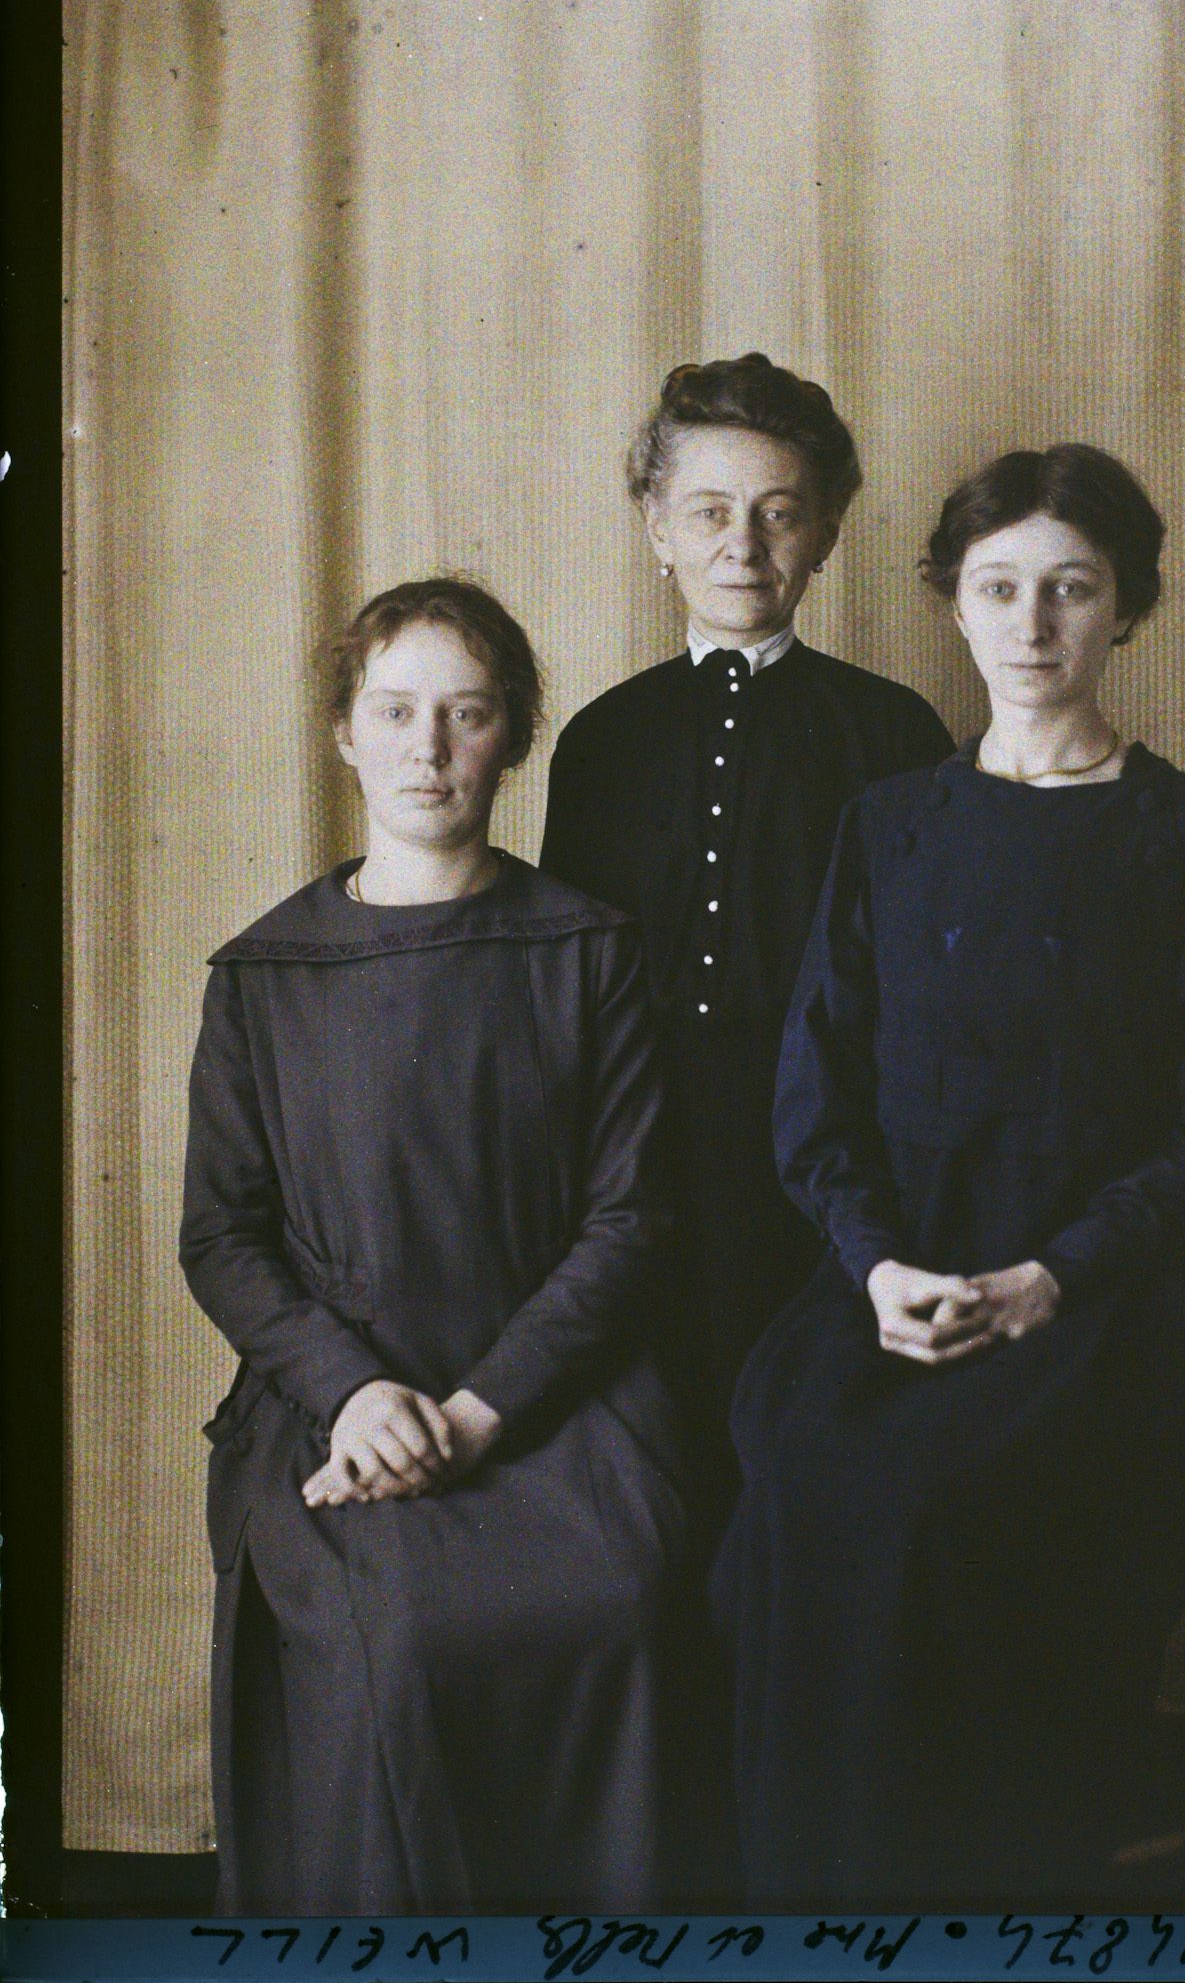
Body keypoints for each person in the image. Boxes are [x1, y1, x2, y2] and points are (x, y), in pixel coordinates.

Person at [712, 444, 1185, 1910]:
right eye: (998, 590)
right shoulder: (887, 830)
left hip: (1124, 1317)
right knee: (787, 1491)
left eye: (1069, 591)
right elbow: (813, 1108)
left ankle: (974, 1907)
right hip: (900, 1291)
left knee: (921, 1517)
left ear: (1124, 612)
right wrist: (873, 1270)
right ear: (952, 610)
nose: (1031, 627)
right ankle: (824, 1907)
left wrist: (1056, 1276)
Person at [180, 578, 686, 1915]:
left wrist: (478, 1411)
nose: (428, 749)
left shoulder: (587, 950)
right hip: (327, 1410)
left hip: (548, 1398)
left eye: (466, 717)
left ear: (511, 738)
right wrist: (352, 1391)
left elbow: (629, 1219)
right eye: (395, 712)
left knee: (620, 1600)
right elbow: (221, 1238)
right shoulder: (264, 975)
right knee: (396, 1644)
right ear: (343, 732)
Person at [538, 353, 954, 1504]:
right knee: (664, 1446)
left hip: (831, 1148)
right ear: (655, 527)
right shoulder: (604, 738)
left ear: (825, 532)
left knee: (814, 1442)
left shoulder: (890, 729)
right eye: (710, 513)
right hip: (645, 1144)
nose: (744, 546)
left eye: (780, 515)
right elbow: (568, 977)